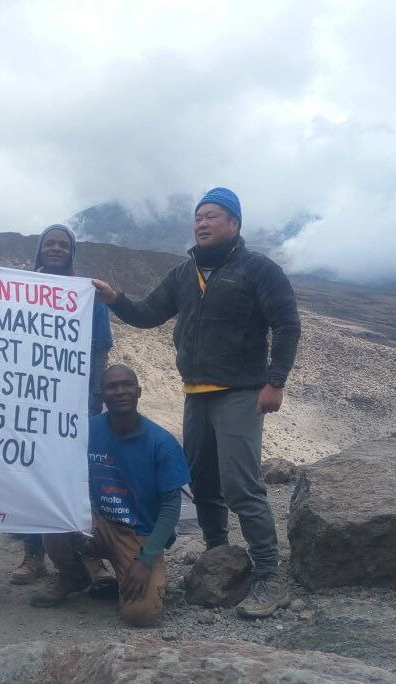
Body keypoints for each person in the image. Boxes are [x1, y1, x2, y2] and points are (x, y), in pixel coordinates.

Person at [92, 187, 301, 619]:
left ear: (234, 224)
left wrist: (275, 382)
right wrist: (115, 300)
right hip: (196, 392)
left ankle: (269, 575)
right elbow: (148, 314)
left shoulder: (258, 269)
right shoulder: (184, 273)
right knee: (202, 481)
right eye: (198, 216)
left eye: (212, 216)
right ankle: (217, 554)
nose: (201, 223)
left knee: (241, 484)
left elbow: (286, 325)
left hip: (240, 391)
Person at [29, 365, 188, 626]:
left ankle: (135, 577)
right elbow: (69, 477)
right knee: (54, 514)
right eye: (112, 387)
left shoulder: (162, 443)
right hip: (98, 525)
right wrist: (84, 512)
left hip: (139, 535)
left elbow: (171, 508)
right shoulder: (86, 430)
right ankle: (73, 576)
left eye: (127, 385)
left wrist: (146, 560)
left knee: (141, 616)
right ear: (102, 395)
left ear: (139, 392)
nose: (120, 391)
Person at [9, 224, 115, 587]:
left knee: (78, 478)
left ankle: (90, 555)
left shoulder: (88, 293)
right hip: (29, 400)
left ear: (72, 253)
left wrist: (96, 398)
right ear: (39, 250)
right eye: (50, 244)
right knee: (31, 475)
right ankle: (33, 553)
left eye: (63, 245)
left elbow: (100, 348)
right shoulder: (20, 289)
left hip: (74, 403)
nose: (56, 249)